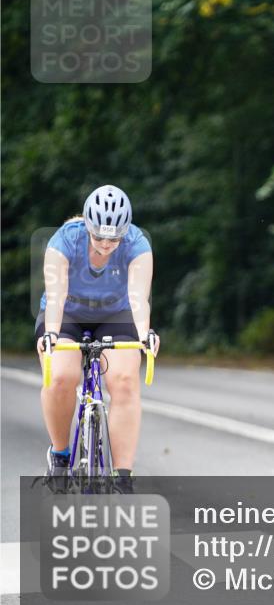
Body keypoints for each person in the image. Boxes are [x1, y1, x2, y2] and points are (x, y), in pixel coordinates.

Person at [36, 185, 159, 493]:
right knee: (61, 376)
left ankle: (122, 478)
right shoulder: (64, 240)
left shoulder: (137, 244)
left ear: (125, 231)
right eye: (99, 236)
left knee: (125, 380)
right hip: (66, 313)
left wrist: (145, 335)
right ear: (87, 226)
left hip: (115, 314)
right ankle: (60, 456)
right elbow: (56, 297)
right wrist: (51, 334)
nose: (106, 244)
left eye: (114, 238)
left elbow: (138, 299)